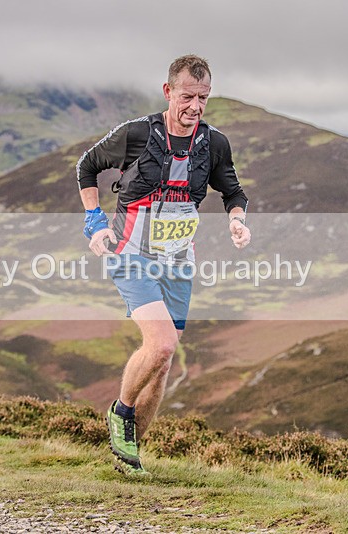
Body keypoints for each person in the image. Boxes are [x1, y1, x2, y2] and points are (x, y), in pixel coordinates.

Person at [76, 55, 251, 476]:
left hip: (178, 262)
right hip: (130, 253)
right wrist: (94, 221)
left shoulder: (214, 143)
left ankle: (129, 455)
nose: (195, 106)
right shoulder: (137, 134)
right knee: (162, 345)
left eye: (203, 98)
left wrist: (237, 220)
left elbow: (233, 191)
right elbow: (87, 167)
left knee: (162, 366)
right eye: (188, 96)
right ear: (168, 91)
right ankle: (121, 411)